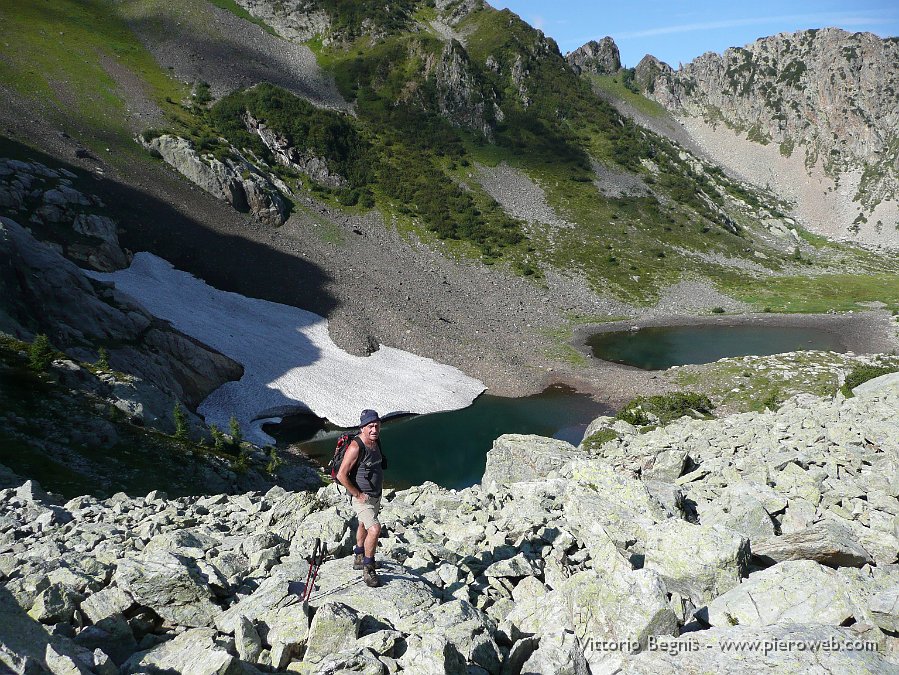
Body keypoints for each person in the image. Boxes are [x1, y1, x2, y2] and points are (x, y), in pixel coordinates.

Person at [336, 409, 385, 587]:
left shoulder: (375, 441)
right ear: (362, 428)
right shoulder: (356, 446)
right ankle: (368, 568)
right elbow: (342, 475)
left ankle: (359, 555)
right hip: (361, 497)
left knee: (364, 525)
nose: (374, 429)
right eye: (370, 426)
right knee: (375, 529)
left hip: (375, 495)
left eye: (376, 425)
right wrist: (357, 494)